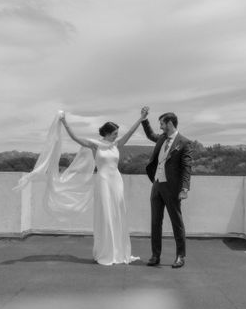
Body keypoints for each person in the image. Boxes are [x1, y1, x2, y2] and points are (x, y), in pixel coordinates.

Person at [58, 108, 149, 265]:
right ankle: (106, 252)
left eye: (117, 134)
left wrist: (141, 119)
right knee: (106, 215)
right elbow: (75, 138)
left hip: (116, 181)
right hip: (103, 181)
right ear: (106, 133)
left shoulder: (117, 144)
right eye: (114, 133)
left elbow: (131, 133)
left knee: (118, 214)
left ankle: (119, 252)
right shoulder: (95, 145)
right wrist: (65, 122)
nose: (117, 136)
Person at [141, 111, 192, 269]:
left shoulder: (184, 142)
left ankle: (180, 256)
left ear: (170, 123)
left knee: (176, 222)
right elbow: (150, 134)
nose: (160, 127)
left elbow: (186, 168)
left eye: (162, 123)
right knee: (155, 222)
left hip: (172, 188)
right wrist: (144, 119)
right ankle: (155, 255)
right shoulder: (162, 138)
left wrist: (184, 188)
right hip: (157, 185)